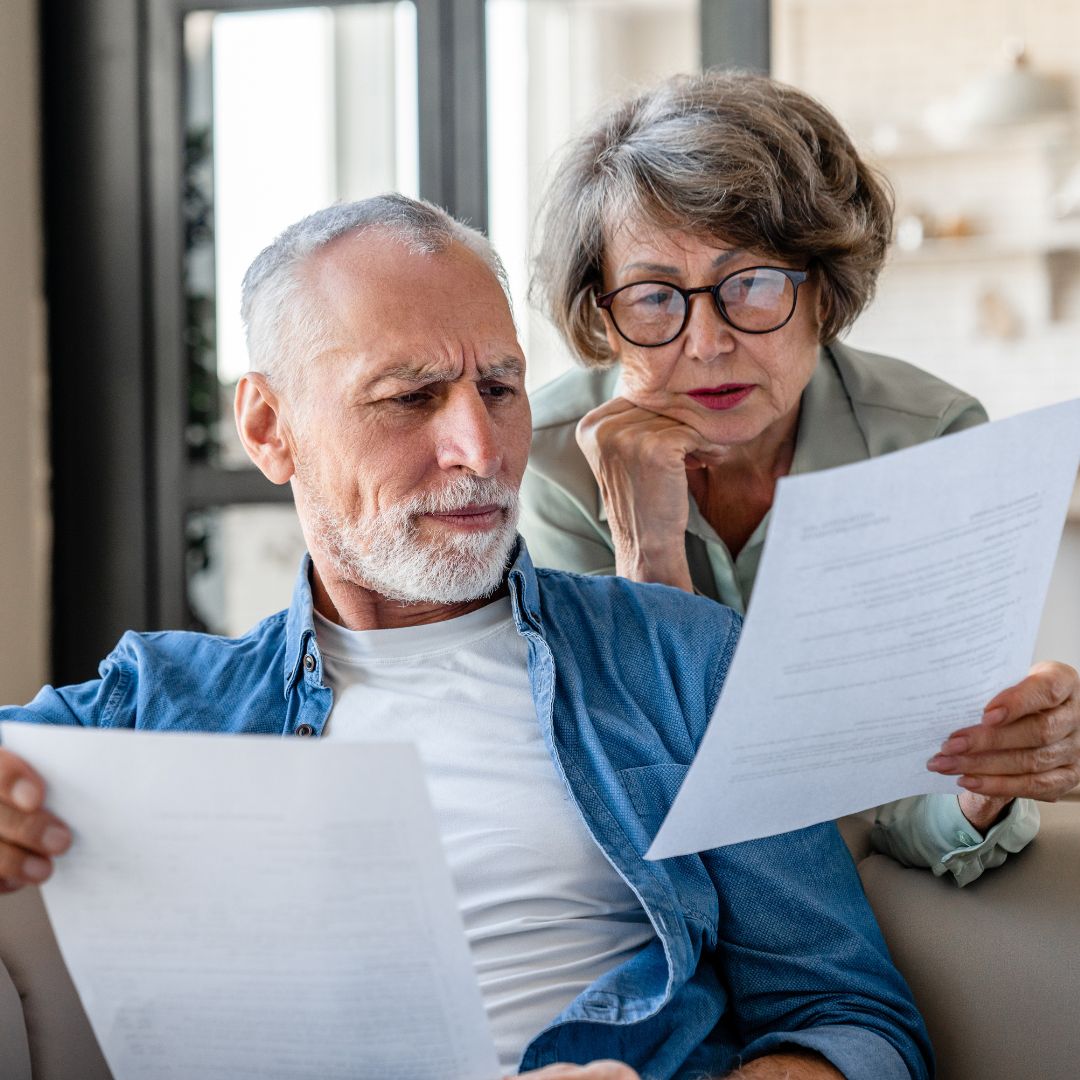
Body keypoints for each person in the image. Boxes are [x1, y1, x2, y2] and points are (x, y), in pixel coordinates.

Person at [0, 195, 929, 1079]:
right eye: (409, 398)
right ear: (269, 427)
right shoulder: (157, 703)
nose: (482, 453)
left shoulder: (682, 661)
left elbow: (853, 1025)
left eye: (500, 387)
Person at [521, 71, 1080, 887]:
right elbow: (623, 793)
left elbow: (905, 799)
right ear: (602, 317)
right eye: (652, 297)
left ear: (824, 290)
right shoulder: (548, 460)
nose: (706, 342)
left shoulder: (929, 445)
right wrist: (650, 557)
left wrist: (984, 783)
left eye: (749, 284)